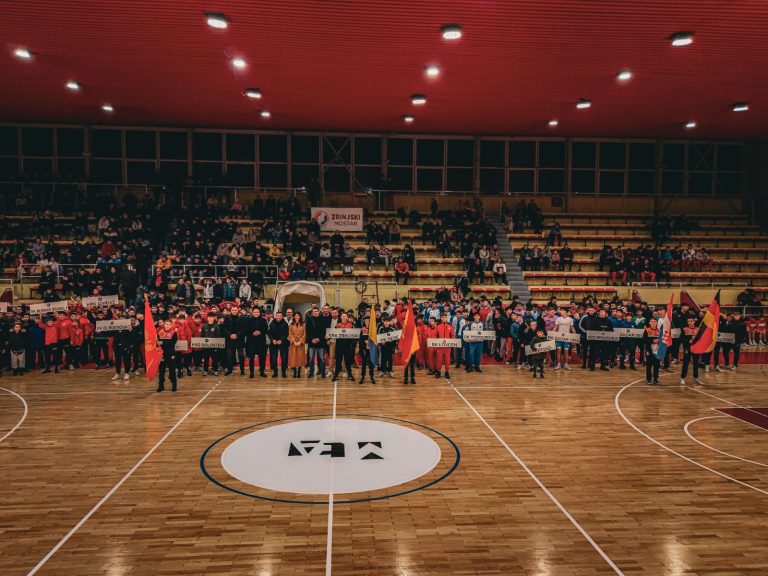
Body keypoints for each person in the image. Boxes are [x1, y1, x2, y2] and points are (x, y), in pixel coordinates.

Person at [332, 312, 355, 382]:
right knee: (338, 361)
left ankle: (350, 375)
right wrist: (328, 336)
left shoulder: (351, 325)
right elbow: (333, 334)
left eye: (345, 316)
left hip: (348, 346)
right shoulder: (337, 325)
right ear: (341, 317)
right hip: (339, 345)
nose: (344, 317)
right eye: (343, 316)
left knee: (348, 361)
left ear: (347, 318)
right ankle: (336, 375)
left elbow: (354, 335)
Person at [157, 319, 178, 392]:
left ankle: (174, 384)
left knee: (172, 370)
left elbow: (172, 343)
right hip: (162, 354)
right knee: (161, 371)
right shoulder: (160, 332)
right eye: (166, 324)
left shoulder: (173, 333)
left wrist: (163, 342)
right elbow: (157, 343)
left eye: (169, 324)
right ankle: (161, 385)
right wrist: (159, 344)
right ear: (164, 325)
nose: (167, 326)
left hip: (171, 354)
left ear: (171, 325)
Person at [247, 307, 268, 378]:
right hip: (251, 341)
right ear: (252, 313)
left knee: (262, 357)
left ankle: (262, 371)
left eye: (257, 312)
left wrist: (260, 332)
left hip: (261, 341)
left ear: (260, 313)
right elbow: (246, 330)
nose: (256, 313)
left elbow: (266, 330)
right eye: (255, 312)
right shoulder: (249, 320)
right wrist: (252, 333)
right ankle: (251, 372)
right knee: (251, 357)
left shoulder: (264, 320)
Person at [680, 316, 702, 386]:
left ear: (694, 321)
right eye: (688, 321)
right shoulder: (684, 329)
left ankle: (696, 377)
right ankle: (682, 378)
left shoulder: (698, 329)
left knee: (696, 363)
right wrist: (688, 341)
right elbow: (681, 339)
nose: (690, 322)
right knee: (686, 363)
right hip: (687, 348)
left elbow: (700, 339)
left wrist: (695, 339)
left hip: (696, 349)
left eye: (691, 321)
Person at [306, 306, 327, 378]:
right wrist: (312, 339)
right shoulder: (309, 320)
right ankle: (311, 372)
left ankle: (322, 372)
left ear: (319, 312)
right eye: (314, 312)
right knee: (311, 358)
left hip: (321, 342)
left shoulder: (323, 319)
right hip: (312, 342)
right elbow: (308, 331)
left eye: (316, 311)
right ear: (312, 313)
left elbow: (324, 331)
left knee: (321, 358)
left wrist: (319, 338)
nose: (315, 313)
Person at [268, 311, 290, 378]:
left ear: (282, 316)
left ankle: (283, 372)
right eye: (278, 316)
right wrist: (273, 339)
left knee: (284, 358)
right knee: (274, 358)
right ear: (275, 316)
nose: (279, 317)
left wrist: (281, 340)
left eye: (280, 316)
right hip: (274, 343)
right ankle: (275, 372)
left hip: (283, 343)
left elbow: (286, 333)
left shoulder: (285, 323)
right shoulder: (272, 323)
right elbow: (269, 333)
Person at [288, 311, 306, 378]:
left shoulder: (303, 325)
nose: (297, 317)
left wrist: (300, 341)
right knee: (294, 358)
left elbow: (305, 334)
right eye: (296, 316)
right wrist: (293, 341)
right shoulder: (291, 325)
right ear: (294, 317)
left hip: (300, 344)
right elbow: (290, 334)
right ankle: (295, 372)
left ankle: (299, 372)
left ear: (300, 317)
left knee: (300, 358)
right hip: (293, 344)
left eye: (298, 316)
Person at [358, 317, 376, 385]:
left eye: (369, 320)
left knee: (371, 364)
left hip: (371, 349)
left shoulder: (373, 330)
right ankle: (362, 377)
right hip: (364, 349)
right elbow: (360, 340)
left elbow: (375, 339)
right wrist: (364, 342)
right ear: (364, 322)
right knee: (364, 364)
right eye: (366, 321)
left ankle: (372, 377)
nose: (367, 322)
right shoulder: (362, 329)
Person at [643, 318, 661, 386]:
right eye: (652, 321)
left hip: (657, 351)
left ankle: (656, 379)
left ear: (656, 323)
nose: (653, 323)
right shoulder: (647, 330)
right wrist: (652, 341)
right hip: (649, 350)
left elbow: (663, 340)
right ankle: (648, 378)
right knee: (649, 366)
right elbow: (644, 340)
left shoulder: (660, 331)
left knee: (656, 365)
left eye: (654, 321)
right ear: (649, 323)